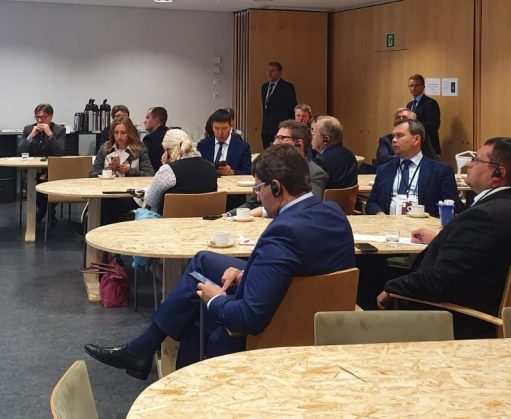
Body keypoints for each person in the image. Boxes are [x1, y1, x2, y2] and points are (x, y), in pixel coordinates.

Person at [85, 143, 355, 378]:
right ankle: (148, 353)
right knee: (202, 263)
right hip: (324, 320)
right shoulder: (333, 212)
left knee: (199, 307)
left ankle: (164, 368)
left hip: (280, 324)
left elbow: (249, 318)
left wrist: (215, 299)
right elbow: (304, 272)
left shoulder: (282, 233)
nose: (257, 196)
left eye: (259, 188)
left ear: (276, 187)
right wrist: (248, 272)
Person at [377, 137, 511, 339]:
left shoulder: (482, 217)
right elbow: (486, 251)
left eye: (476, 160)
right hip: (497, 309)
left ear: (498, 173)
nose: (468, 165)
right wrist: (443, 239)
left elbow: (440, 281)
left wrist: (391, 287)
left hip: (458, 320)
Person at [229, 120, 329, 215]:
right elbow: (251, 204)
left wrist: (263, 211)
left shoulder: (315, 173)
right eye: (276, 138)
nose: (275, 143)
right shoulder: (271, 168)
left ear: (299, 143)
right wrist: (228, 215)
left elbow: (309, 207)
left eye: (281, 138)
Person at [366, 119, 457, 217]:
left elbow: (452, 206)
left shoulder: (440, 171)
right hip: (389, 224)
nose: (394, 140)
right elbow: (372, 203)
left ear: (416, 139)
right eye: (393, 136)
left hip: (425, 224)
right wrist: (381, 216)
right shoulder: (384, 170)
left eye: (399, 136)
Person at [139, 129, 217, 215]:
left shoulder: (168, 171)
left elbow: (150, 202)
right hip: (204, 220)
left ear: (168, 151)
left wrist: (165, 166)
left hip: (170, 221)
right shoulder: (211, 168)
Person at [18, 103, 67, 223]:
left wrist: (50, 134)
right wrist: (31, 136)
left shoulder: (59, 130)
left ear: (51, 116)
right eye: (37, 117)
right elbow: (20, 151)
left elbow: (59, 151)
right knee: (32, 186)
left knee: (55, 186)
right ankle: (47, 210)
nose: (40, 120)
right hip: (33, 171)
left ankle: (45, 211)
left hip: (52, 170)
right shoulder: (28, 129)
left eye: (43, 117)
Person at [88, 116, 155, 178]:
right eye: (116, 132)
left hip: (131, 186)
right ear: (112, 133)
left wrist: (128, 171)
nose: (119, 136)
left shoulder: (140, 149)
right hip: (108, 185)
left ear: (130, 133)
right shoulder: (105, 148)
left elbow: (150, 174)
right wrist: (107, 170)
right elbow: (91, 174)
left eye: (123, 133)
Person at [197, 108, 252, 176]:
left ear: (231, 125)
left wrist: (232, 172)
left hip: (232, 182)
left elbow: (248, 173)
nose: (220, 133)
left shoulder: (243, 147)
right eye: (216, 128)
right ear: (212, 126)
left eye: (224, 128)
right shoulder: (202, 146)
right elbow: (197, 170)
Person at [311, 115, 358, 190]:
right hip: (349, 198)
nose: (310, 137)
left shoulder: (320, 162)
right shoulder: (350, 156)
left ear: (325, 139)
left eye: (313, 132)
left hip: (326, 197)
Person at [260, 61, 298, 150]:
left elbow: (292, 108)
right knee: (267, 153)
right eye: (268, 71)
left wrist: (288, 128)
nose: (269, 73)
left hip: (280, 127)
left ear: (280, 72)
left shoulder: (287, 87)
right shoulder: (264, 87)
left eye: (273, 71)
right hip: (266, 128)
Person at [406, 74, 441, 156]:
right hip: (413, 146)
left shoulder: (431, 103)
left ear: (423, 87)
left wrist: (415, 122)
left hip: (428, 147)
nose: (413, 88)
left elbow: (434, 125)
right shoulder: (409, 105)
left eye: (416, 85)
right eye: (411, 86)